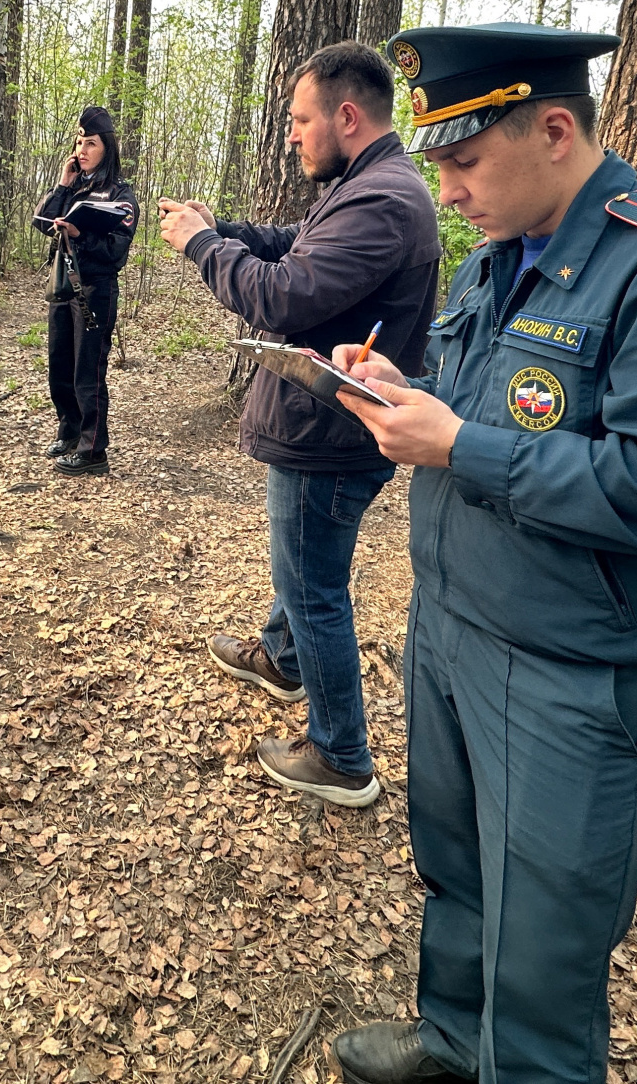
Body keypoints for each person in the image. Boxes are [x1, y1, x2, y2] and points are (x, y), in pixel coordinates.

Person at [322, 23, 637, 1084]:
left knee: (544, 930)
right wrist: (414, 398)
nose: (445, 191)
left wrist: (460, 445)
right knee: (455, 868)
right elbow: (502, 418)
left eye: (463, 162)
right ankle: (451, 1039)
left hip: (570, 666)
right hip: (453, 621)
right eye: (437, 164)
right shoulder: (501, 257)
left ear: (552, 129)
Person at [158, 40, 440, 809]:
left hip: (331, 435)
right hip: (325, 425)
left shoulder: (384, 199)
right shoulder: (362, 183)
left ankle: (342, 754)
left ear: (346, 117)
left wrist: (201, 246)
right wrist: (229, 230)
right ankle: (281, 657)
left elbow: (282, 297)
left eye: (300, 118)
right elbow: (297, 247)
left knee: (312, 585)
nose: (292, 133)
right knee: (306, 571)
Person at [32, 106, 137, 477]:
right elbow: (42, 222)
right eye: (79, 142)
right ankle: (69, 431)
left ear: (106, 147)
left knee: (87, 370)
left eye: (90, 143)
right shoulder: (74, 185)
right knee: (60, 365)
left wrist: (81, 235)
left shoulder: (120, 195)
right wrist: (63, 183)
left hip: (96, 290)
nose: (82, 150)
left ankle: (94, 450)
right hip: (63, 284)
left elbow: (116, 251)